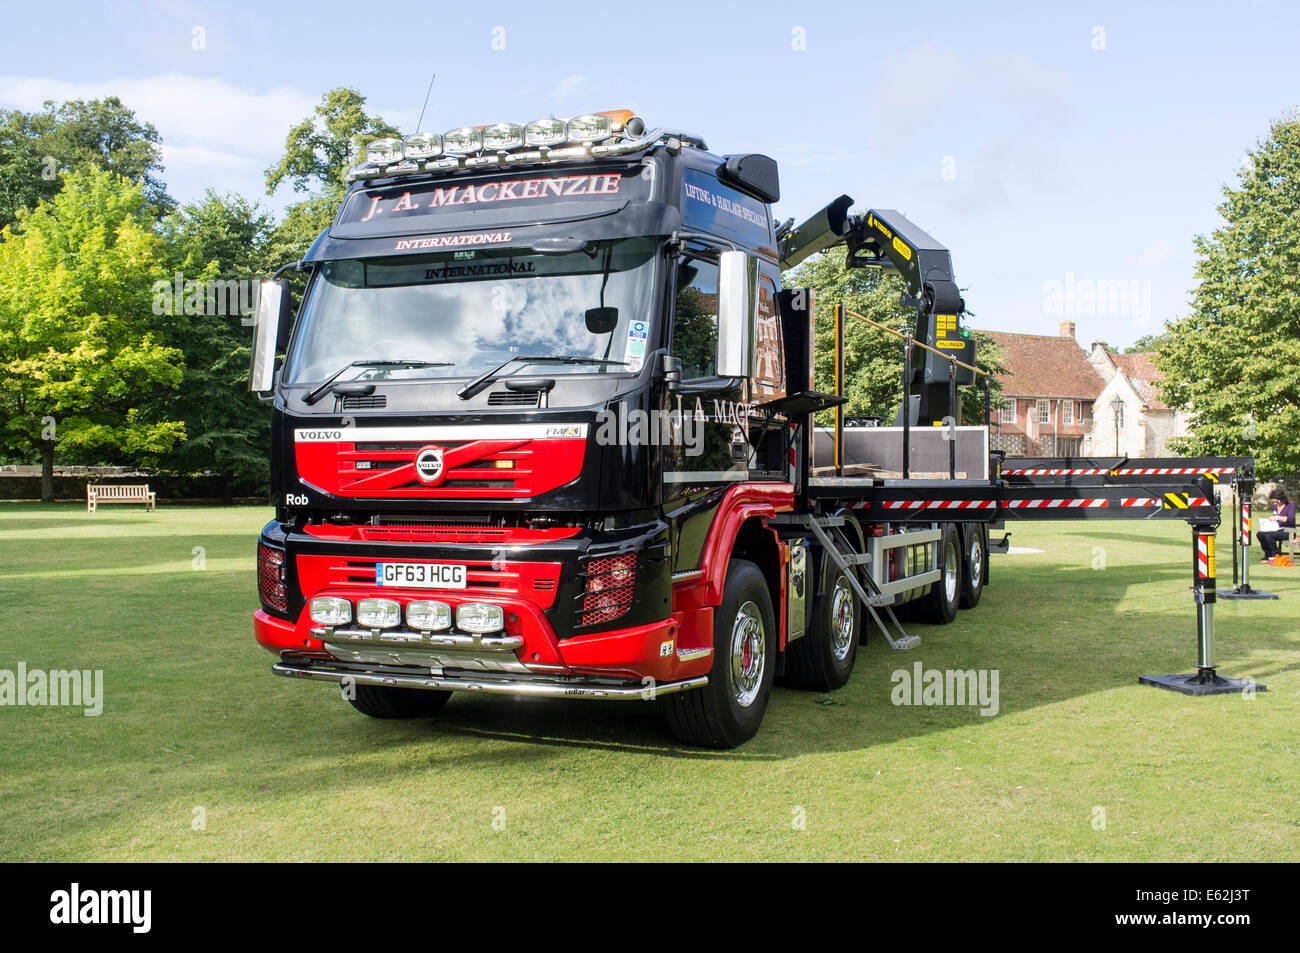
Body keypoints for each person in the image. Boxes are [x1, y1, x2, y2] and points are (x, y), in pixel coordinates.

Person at [1257, 487, 1295, 561]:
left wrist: (1278, 517)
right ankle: (1268, 553)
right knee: (1260, 534)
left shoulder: (1290, 506)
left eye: (1277, 502)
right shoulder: (1275, 506)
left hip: (1288, 530)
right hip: (1276, 528)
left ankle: (1275, 554)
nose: (1275, 504)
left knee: (1269, 536)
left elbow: (1290, 519)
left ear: (1282, 499)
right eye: (1274, 502)